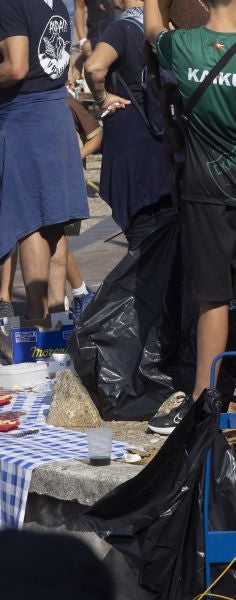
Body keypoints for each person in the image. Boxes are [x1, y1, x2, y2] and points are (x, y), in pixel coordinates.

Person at [0, 0, 89, 321]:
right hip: (54, 114)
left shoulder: (12, 3)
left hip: (26, 119)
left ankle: (38, 324)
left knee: (31, 222)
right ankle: (57, 321)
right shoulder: (55, 3)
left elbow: (15, 68)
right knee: (55, 223)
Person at [144, 0, 236, 431]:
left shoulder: (182, 45)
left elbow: (152, 30)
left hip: (205, 191)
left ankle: (204, 400)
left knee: (212, 297)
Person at [84, 0, 171, 248]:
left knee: (143, 238)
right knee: (169, 232)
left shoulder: (121, 29)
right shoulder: (166, 29)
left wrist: (102, 97)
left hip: (132, 145)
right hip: (166, 141)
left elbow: (94, 67)